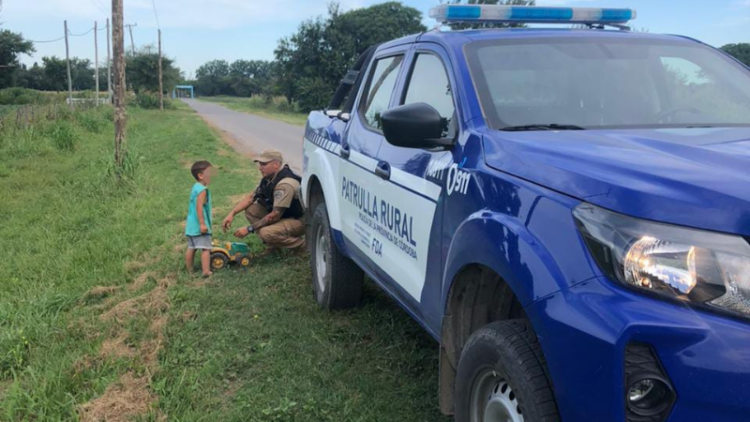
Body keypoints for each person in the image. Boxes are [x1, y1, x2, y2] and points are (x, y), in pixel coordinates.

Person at [222, 149, 305, 254]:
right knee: (251, 210)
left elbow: (275, 215)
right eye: (260, 164)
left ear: (276, 164)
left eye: (264, 164)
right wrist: (232, 213)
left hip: (299, 220)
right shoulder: (269, 179)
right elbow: (251, 197)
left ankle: (302, 246)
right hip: (284, 216)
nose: (260, 167)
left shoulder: (285, 184)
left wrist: (249, 228)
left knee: (266, 233)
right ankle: (274, 246)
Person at [185, 160, 214, 276]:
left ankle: (189, 270)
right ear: (201, 175)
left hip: (191, 226)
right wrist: (202, 224)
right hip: (199, 226)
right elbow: (199, 207)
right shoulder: (202, 190)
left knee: (191, 247)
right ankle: (206, 271)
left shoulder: (195, 187)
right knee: (206, 248)